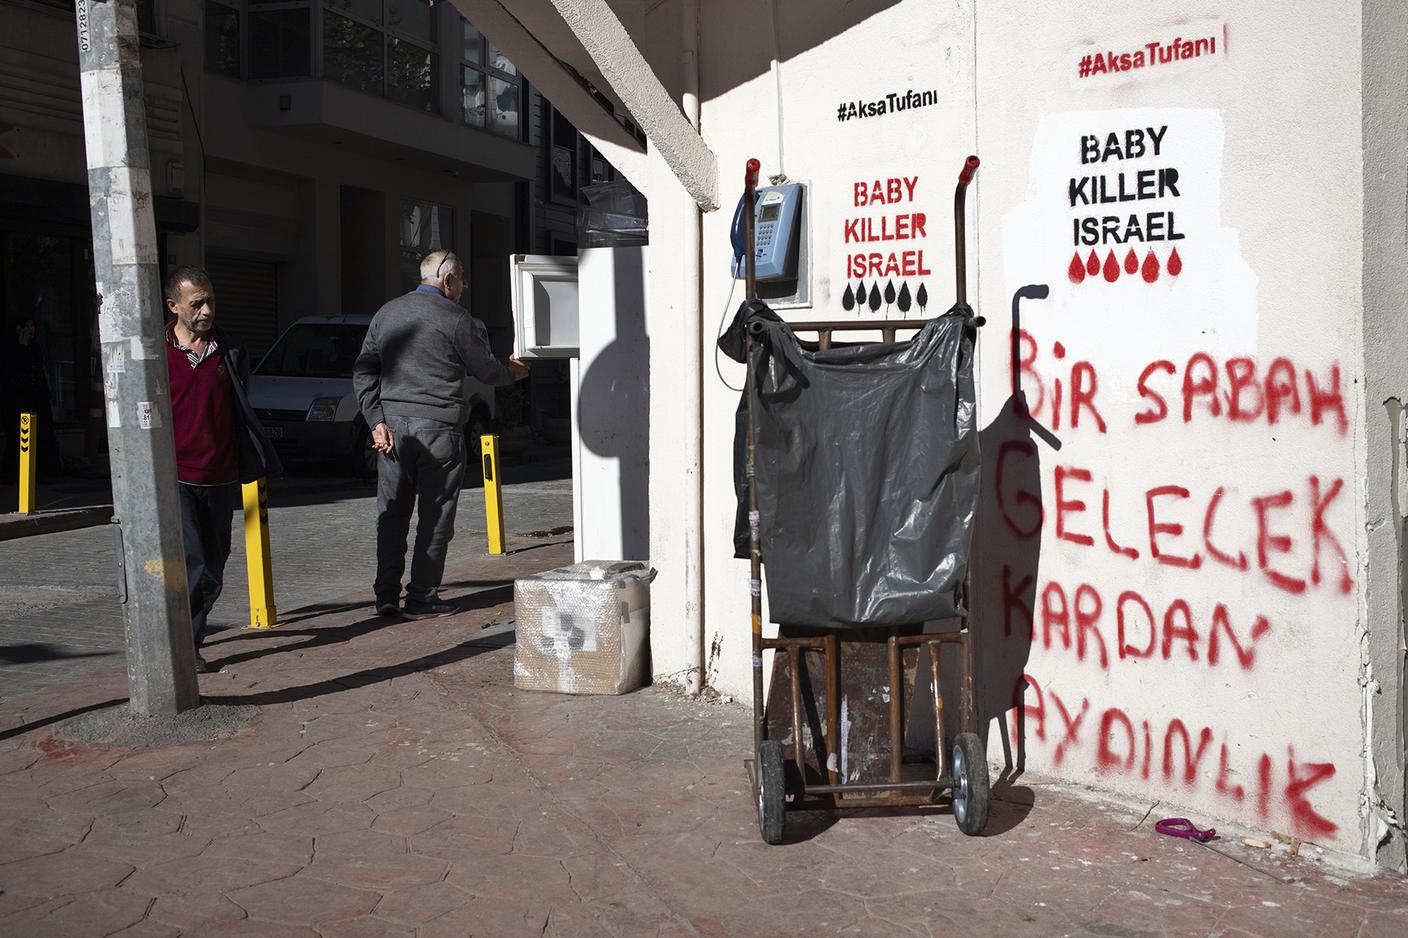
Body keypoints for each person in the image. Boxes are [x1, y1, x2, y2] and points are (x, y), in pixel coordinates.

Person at [354, 249, 529, 619]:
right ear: (448, 280)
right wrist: (514, 371)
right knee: (435, 517)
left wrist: (375, 420)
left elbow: (364, 370)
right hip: (439, 431)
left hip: (393, 429)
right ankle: (422, 597)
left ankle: (386, 596)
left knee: (392, 514)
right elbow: (485, 370)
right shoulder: (456, 318)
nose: (463, 289)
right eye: (462, 281)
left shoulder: (387, 313)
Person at [163, 266, 282, 672]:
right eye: (197, 303)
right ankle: (185, 642)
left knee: (214, 564)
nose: (207, 310)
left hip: (220, 473)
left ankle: (192, 628)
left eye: (211, 300)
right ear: (173, 306)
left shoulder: (229, 347)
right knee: (192, 559)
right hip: (175, 475)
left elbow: (240, 404)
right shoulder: (156, 351)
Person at [2, 316, 62, 481]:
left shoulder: (35, 347)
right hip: (19, 400)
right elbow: (14, 372)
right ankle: (17, 474)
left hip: (38, 397)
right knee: (19, 437)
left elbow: (39, 371)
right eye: (26, 326)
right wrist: (22, 347)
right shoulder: (12, 349)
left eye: (32, 325)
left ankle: (42, 472)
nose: (30, 329)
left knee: (42, 435)